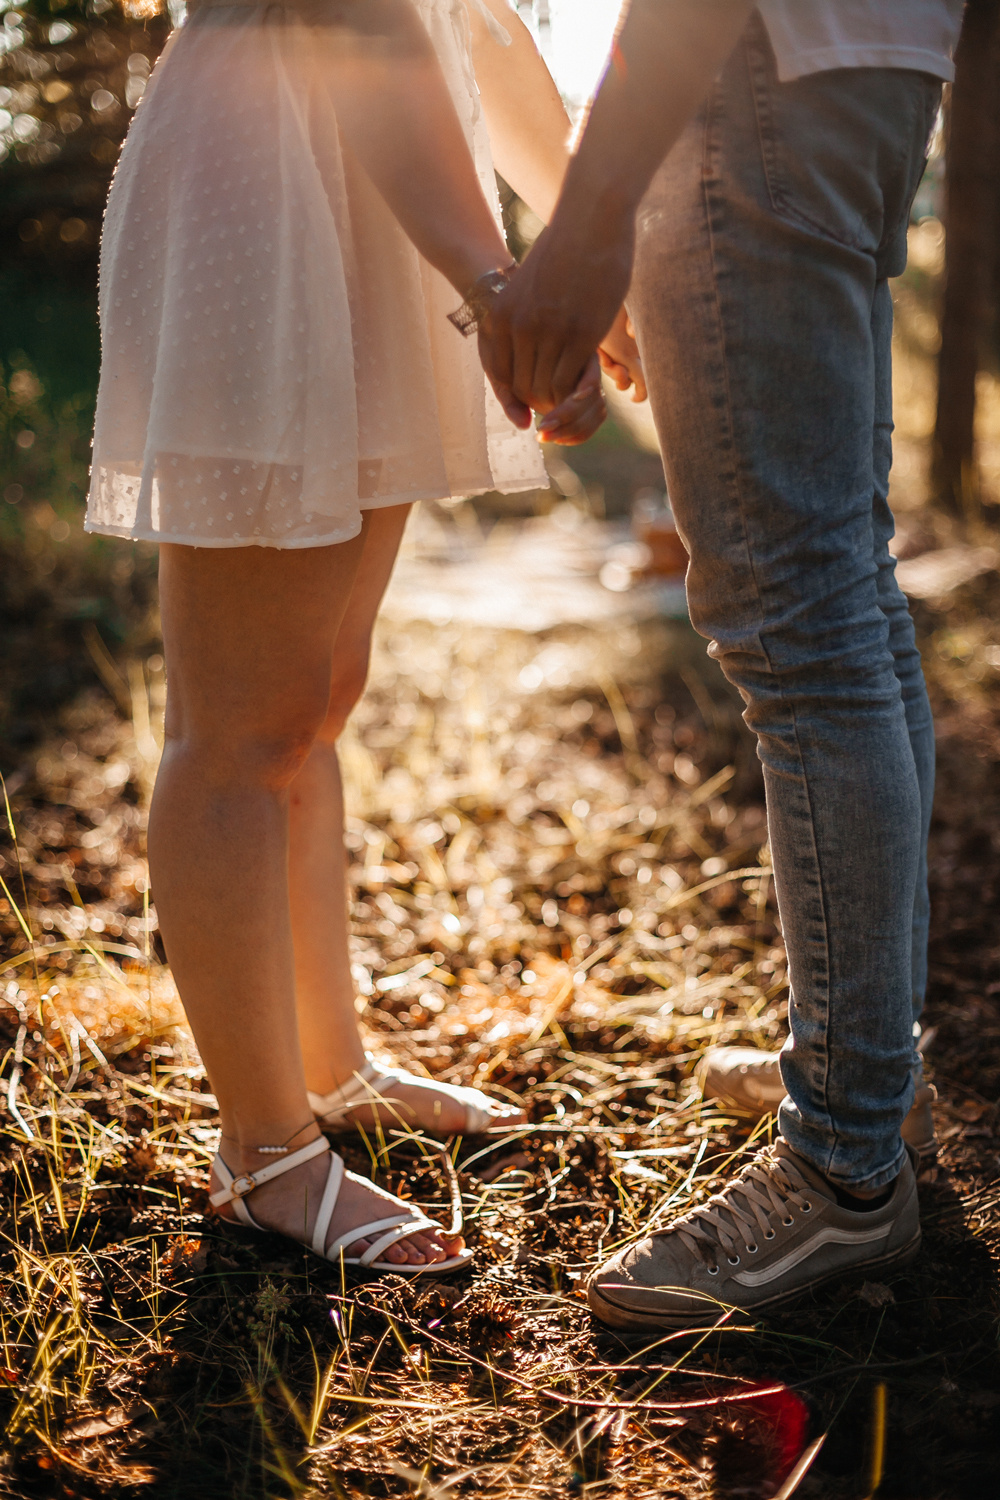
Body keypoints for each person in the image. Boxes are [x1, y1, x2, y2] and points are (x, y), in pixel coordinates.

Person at [85, 0, 641, 1272]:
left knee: (316, 697)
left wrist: (576, 250)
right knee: (241, 723)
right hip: (268, 187)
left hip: (385, 185)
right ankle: (264, 1155)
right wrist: (499, 283)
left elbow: (477, 26)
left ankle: (330, 1069)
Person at [478, 0, 965, 1328]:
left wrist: (591, 216)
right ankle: (869, 1075)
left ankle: (844, 1162)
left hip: (749, 73)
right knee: (845, 592)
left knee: (802, 622)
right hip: (858, 69)